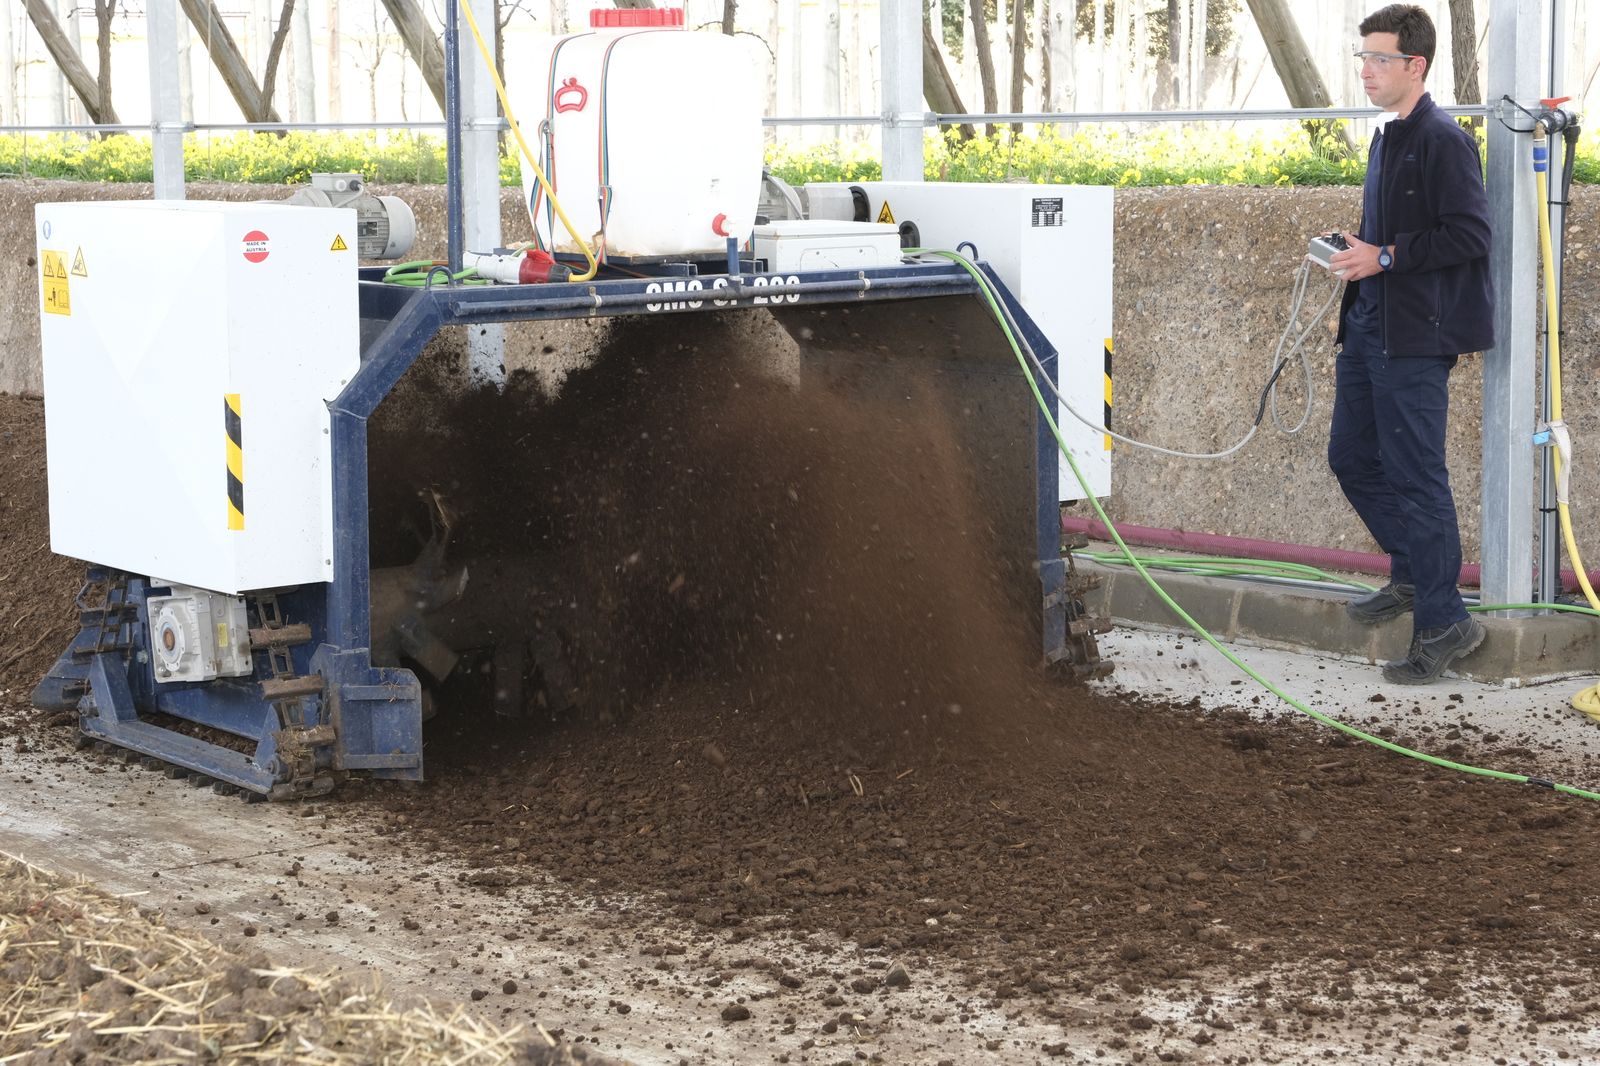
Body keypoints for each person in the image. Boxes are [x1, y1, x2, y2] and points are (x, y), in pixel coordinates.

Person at [1326, 3, 1494, 684]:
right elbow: (1385, 234)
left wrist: (1386, 258)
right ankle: (1413, 572)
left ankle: (1444, 621)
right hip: (1369, 326)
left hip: (1414, 336)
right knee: (1351, 458)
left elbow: (1472, 236)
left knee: (1419, 478)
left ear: (1414, 65)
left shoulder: (1444, 140)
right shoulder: (1387, 137)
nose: (1365, 70)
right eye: (1362, 57)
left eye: (1378, 59)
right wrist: (1359, 251)